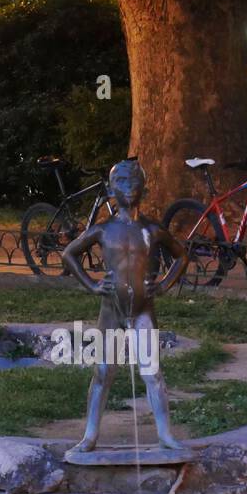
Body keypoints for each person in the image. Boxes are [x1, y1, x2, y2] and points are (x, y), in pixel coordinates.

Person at [61, 159, 190, 452]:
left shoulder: (152, 229)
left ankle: (165, 434)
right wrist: (92, 284)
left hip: (144, 309)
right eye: (121, 181)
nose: (128, 186)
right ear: (110, 189)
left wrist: (166, 284)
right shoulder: (103, 230)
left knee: (152, 373)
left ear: (145, 187)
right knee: (104, 372)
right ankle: (90, 435)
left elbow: (182, 256)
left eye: (134, 181)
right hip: (111, 312)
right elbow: (69, 254)